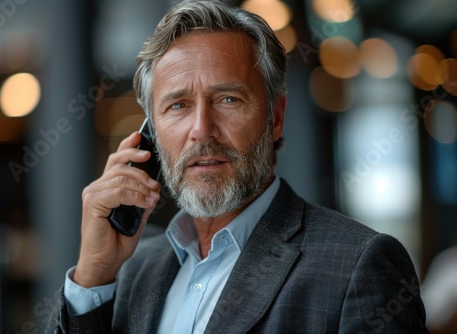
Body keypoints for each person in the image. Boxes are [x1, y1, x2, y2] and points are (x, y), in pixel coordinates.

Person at [46, 1, 428, 333]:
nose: (201, 130)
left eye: (228, 99)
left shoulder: (359, 265)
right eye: (177, 105)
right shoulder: (128, 271)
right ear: (151, 133)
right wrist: (93, 275)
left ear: (275, 117)